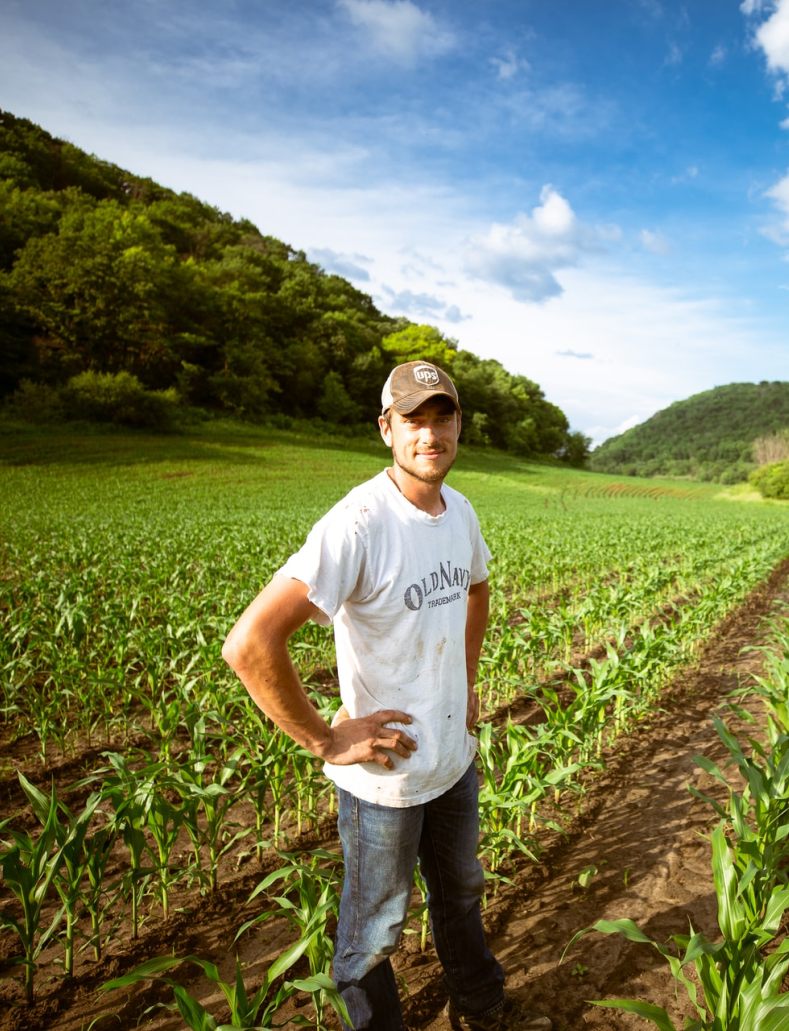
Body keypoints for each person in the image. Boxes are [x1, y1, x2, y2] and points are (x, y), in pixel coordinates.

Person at [222, 361, 549, 1031]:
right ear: (386, 429)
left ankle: (482, 1012)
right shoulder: (359, 523)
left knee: (460, 894)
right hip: (386, 779)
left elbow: (477, 588)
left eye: (442, 417)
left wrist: (463, 678)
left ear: (459, 424)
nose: (430, 433)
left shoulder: (459, 510)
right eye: (413, 419)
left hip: (451, 760)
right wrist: (324, 737)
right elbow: (250, 642)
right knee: (373, 930)